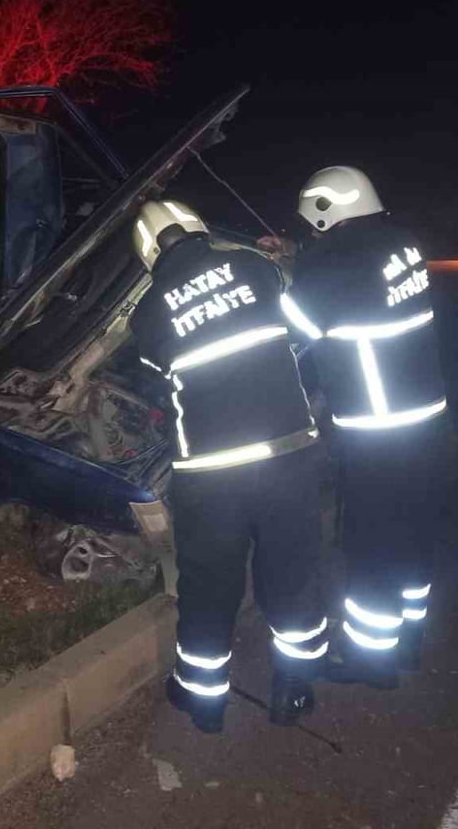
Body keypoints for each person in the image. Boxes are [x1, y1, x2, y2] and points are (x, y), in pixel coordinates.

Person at [131, 198, 332, 733]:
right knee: (293, 572)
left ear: (149, 252)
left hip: (211, 474)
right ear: (198, 227)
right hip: (288, 456)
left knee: (209, 582)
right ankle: (293, 690)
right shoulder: (254, 268)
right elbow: (305, 330)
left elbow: (161, 371)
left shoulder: (145, 315)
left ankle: (203, 701)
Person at [278, 166, 448, 686]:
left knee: (371, 539)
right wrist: (296, 256)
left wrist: (281, 268)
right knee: (415, 529)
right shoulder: (401, 242)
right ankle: (411, 639)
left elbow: (291, 326)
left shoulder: (330, 267)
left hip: (377, 427)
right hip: (425, 415)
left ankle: (372, 661)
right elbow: (357, 283)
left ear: (325, 213)